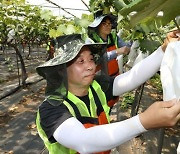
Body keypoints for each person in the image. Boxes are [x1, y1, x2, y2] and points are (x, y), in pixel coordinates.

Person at [36, 31, 180, 154]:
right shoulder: (51, 109)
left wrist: (163, 49)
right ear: (61, 70)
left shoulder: (96, 86)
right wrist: (144, 121)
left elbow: (132, 77)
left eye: (91, 59)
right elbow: (83, 141)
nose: (90, 67)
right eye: (80, 61)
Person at [86, 12, 132, 109]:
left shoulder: (113, 37)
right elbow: (96, 58)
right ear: (98, 25)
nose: (107, 26)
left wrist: (130, 45)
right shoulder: (91, 41)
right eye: (104, 23)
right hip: (98, 78)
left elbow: (124, 46)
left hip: (113, 76)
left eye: (109, 23)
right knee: (99, 104)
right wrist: (116, 52)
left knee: (110, 101)